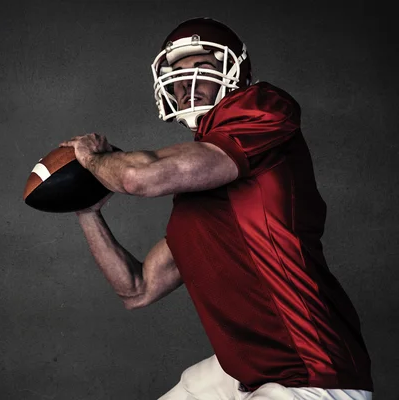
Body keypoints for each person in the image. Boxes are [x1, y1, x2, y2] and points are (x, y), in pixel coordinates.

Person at [59, 17, 373, 399]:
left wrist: (91, 161)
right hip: (244, 374)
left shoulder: (261, 107)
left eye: (204, 67)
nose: (187, 82)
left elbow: (142, 177)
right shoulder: (198, 192)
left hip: (312, 374)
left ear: (235, 72)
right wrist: (87, 210)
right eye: (177, 72)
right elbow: (137, 289)